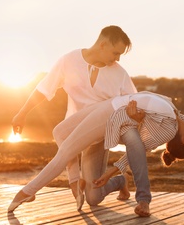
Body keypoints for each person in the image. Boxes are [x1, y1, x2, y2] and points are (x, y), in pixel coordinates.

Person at [8, 92, 184, 217]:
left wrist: (112, 170)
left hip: (111, 119)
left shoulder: (168, 128)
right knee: (60, 131)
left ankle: (26, 192)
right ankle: (75, 180)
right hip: (111, 104)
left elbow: (135, 152)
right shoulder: (182, 119)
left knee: (68, 156)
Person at [10, 25, 138, 209]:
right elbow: (43, 89)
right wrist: (21, 113)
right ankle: (73, 181)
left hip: (99, 138)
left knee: (93, 198)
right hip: (72, 130)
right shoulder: (68, 61)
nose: (117, 59)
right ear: (102, 45)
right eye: (115, 52)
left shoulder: (120, 74)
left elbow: (132, 103)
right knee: (60, 133)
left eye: (120, 55)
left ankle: (120, 182)